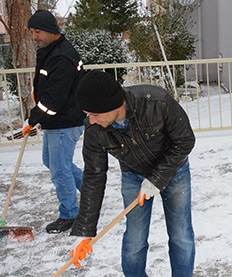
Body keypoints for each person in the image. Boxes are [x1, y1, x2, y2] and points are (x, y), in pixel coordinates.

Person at [69, 71, 196, 276]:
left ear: (112, 105)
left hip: (174, 171)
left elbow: (185, 140)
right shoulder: (94, 130)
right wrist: (84, 232)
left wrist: (157, 179)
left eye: (95, 114)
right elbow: (93, 176)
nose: (91, 120)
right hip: (134, 175)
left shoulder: (156, 101)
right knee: (135, 238)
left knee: (181, 235)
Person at [25, 9, 86, 233]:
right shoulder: (51, 50)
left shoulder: (61, 56)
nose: (34, 36)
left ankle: (70, 214)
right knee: (52, 161)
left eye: (38, 31)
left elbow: (55, 98)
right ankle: (89, 189)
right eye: (32, 32)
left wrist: (35, 116)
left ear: (51, 31)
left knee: (59, 169)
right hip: (57, 121)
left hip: (65, 121)